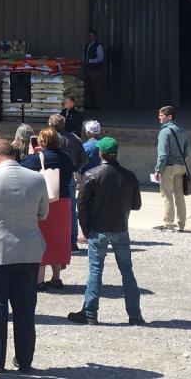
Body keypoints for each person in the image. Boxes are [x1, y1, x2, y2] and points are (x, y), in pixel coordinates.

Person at [0, 139, 48, 373]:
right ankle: (25, 360)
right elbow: (43, 213)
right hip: (29, 250)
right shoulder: (36, 178)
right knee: (25, 309)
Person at [69, 137, 145, 326]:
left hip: (98, 229)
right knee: (127, 271)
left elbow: (82, 205)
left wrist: (85, 229)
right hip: (120, 228)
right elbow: (136, 205)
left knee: (95, 271)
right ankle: (135, 314)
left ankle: (90, 313)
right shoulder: (129, 176)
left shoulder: (92, 174)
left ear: (100, 154)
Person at [21, 128, 74, 289]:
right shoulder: (66, 158)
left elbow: (22, 167)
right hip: (63, 200)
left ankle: (39, 280)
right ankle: (56, 277)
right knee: (58, 238)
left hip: (43, 201)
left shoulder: (37, 159)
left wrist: (31, 153)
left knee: (41, 239)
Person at [49, 114, 87, 251]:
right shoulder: (74, 138)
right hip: (68, 176)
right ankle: (72, 241)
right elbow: (84, 159)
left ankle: (50, 239)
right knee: (70, 210)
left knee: (48, 208)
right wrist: (74, 168)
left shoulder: (48, 138)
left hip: (49, 176)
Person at [154, 106, 189, 232]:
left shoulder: (164, 132)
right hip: (181, 166)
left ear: (169, 117)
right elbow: (186, 151)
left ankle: (168, 224)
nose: (159, 118)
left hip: (168, 167)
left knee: (167, 195)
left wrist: (158, 170)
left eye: (161, 116)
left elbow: (162, 154)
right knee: (179, 196)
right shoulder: (182, 130)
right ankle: (181, 224)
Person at [83, 30, 105, 109]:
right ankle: (90, 105)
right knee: (88, 87)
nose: (90, 37)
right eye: (89, 35)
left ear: (95, 36)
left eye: (92, 35)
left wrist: (90, 61)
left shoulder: (98, 46)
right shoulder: (87, 46)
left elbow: (101, 58)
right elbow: (85, 56)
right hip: (88, 69)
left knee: (97, 87)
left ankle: (98, 105)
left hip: (96, 70)